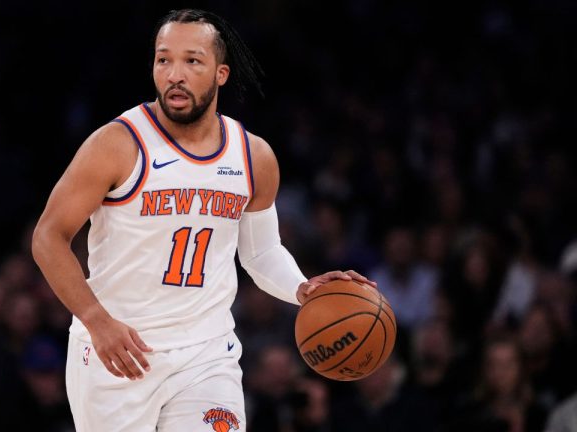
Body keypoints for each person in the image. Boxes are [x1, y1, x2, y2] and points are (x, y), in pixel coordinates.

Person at [32, 9, 376, 431]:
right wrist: (95, 319)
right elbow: (48, 237)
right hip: (117, 351)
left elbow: (261, 251)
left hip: (205, 354)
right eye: (164, 60)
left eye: (192, 61)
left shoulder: (253, 157)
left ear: (221, 74)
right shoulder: (116, 144)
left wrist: (302, 288)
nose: (175, 74)